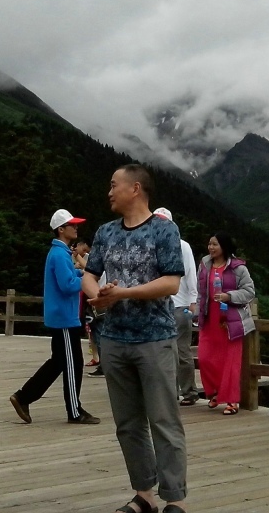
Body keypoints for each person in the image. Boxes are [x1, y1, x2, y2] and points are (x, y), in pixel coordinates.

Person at [83, 165, 188, 513]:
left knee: (163, 420)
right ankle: (144, 496)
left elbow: (172, 282)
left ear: (136, 188)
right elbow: (89, 274)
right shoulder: (105, 232)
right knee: (127, 424)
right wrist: (98, 294)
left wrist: (122, 293)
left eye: (114, 185)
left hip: (155, 338)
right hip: (113, 338)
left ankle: (175, 499)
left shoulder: (164, 230)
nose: (109, 192)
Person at [10, 209, 99, 426]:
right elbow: (67, 285)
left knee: (59, 362)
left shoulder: (60, 253)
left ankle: (23, 397)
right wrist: (87, 281)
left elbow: (69, 277)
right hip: (64, 319)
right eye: (72, 225)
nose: (76, 228)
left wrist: (81, 274)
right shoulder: (59, 254)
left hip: (61, 317)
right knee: (73, 364)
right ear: (61, 229)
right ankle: (74, 411)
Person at [196, 231, 254, 415]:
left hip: (230, 321)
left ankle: (231, 400)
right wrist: (197, 312)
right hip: (209, 319)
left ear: (224, 247)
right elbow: (200, 292)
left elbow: (249, 291)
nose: (211, 248)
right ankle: (214, 392)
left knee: (230, 362)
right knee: (205, 358)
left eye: (215, 244)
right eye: (209, 244)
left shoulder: (238, 268)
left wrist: (229, 296)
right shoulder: (205, 265)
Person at [153, 208, 200, 407]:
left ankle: (187, 391)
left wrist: (193, 300)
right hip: (158, 305)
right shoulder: (152, 244)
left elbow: (191, 274)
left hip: (179, 305)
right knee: (161, 351)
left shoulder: (182, 246)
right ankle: (172, 392)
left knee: (180, 350)